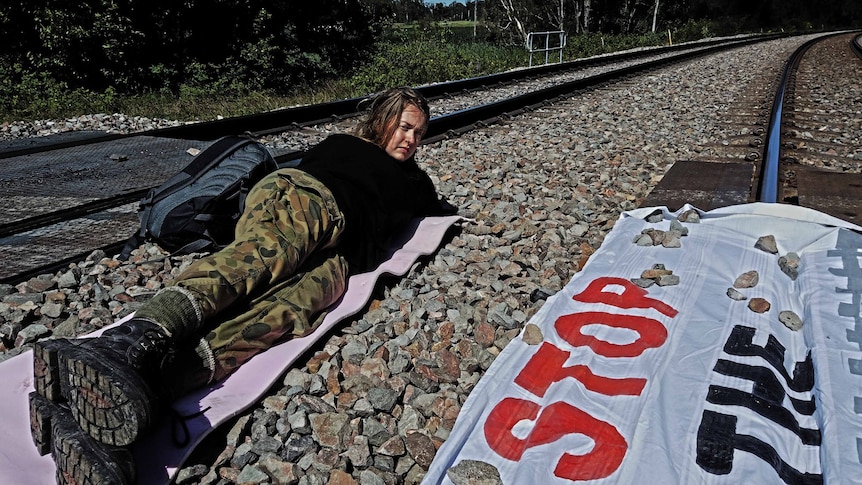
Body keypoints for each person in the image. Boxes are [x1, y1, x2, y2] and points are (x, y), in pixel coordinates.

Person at [29, 87, 456, 484]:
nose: (410, 139)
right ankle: (130, 339)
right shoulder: (347, 146)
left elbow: (433, 203)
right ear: (381, 122)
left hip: (341, 254)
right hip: (306, 197)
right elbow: (305, 193)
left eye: (418, 133)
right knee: (264, 256)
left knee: (294, 308)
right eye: (403, 126)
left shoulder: (414, 179)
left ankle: (151, 389)